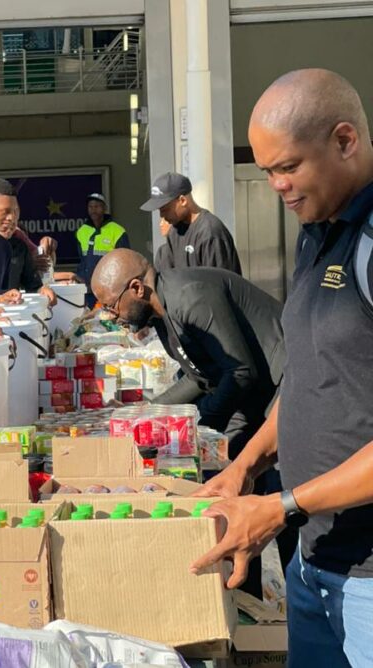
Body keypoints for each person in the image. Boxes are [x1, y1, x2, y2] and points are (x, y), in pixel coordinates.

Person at [189, 69, 373, 668]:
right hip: (314, 561)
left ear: (345, 140)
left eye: (287, 167)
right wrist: (244, 466)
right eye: (266, 171)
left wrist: (281, 506)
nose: (277, 186)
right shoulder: (316, 232)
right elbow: (311, 379)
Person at [91, 249, 296, 598]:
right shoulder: (162, 317)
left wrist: (200, 427)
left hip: (286, 386)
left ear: (137, 288)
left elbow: (240, 372)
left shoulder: (190, 296)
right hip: (255, 392)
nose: (113, 317)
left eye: (112, 306)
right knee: (230, 479)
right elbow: (201, 379)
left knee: (283, 492)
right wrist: (149, 411)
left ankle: (302, 596)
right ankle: (244, 599)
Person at [141, 172, 242, 275]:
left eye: (165, 209)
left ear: (182, 201)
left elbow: (218, 284)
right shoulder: (174, 232)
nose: (162, 215)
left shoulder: (210, 233)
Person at [76, 192, 130, 307]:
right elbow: (82, 259)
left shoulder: (117, 231)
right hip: (86, 289)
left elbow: (125, 263)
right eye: (90, 207)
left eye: (97, 206)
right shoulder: (81, 231)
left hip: (109, 289)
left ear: (104, 208)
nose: (93, 210)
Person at [1, 216, 57, 306]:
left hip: (14, 307)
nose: (10, 218)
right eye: (5, 212)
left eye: (14, 212)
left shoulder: (19, 241)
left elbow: (33, 283)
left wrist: (42, 289)